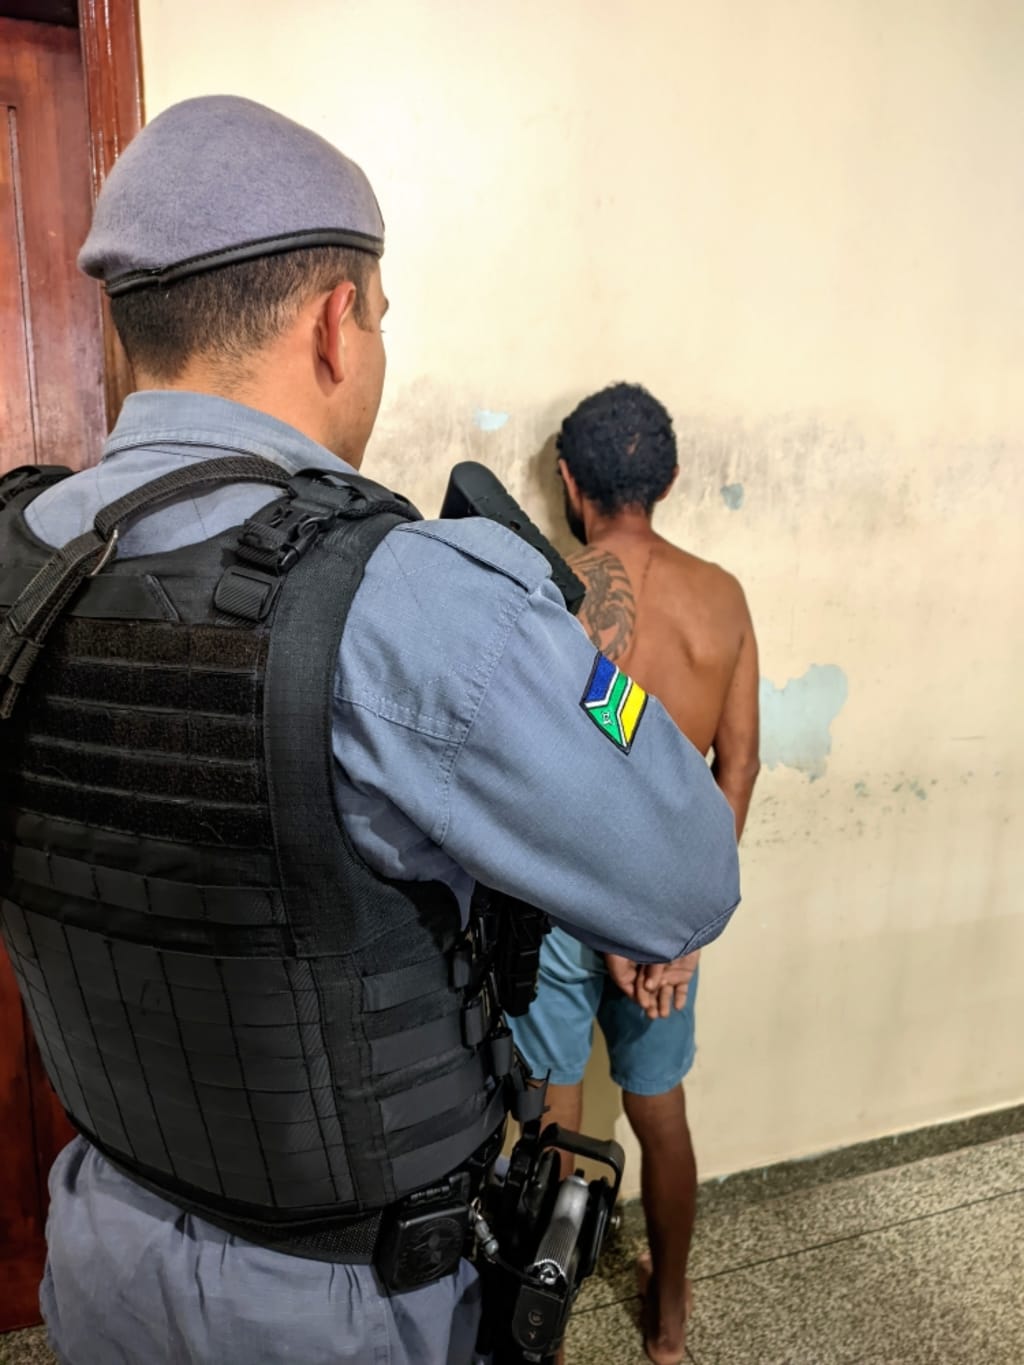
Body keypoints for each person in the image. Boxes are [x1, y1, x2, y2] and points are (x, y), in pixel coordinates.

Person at [0, 103, 741, 1365]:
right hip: (337, 1306)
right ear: (334, 323)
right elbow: (686, 875)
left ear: (128, 329)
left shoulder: (21, 560)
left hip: (105, 1252)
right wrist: (563, 654)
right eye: (380, 319)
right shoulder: (412, 598)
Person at [510, 383, 760, 1365]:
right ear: (672, 478)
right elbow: (736, 766)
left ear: (569, 481)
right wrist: (681, 922)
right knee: (660, 1110)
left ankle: (542, 1327)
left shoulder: (546, 590)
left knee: (553, 1110)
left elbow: (531, 770)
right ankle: (668, 1321)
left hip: (558, 894)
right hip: (665, 907)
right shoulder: (722, 598)